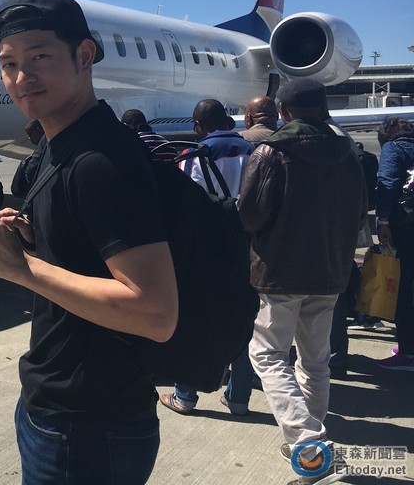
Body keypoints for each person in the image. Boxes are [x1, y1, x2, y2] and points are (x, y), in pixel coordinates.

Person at [0, 0, 178, 485]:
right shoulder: (61, 147)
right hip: (59, 408)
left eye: (40, 57)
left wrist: (23, 268)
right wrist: (34, 239)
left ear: (84, 56)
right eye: (9, 63)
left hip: (89, 426)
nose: (21, 78)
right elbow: (90, 253)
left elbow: (155, 313)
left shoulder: (102, 161)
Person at [237, 79, 365, 479]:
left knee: (268, 356)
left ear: (284, 112)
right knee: (315, 359)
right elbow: (360, 211)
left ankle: (309, 444)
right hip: (329, 270)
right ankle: (311, 440)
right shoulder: (347, 153)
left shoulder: (272, 152)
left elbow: (250, 214)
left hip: (280, 270)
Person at [160, 99, 255, 416]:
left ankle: (185, 395)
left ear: (198, 126)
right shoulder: (255, 153)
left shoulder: (193, 156)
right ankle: (239, 398)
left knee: (195, 319)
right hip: (247, 245)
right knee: (244, 318)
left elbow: (184, 206)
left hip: (206, 249)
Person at [372, 116, 414, 370]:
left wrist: (383, 220)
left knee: (404, 287)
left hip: (405, 227)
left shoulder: (394, 148)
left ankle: (408, 351)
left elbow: (387, 183)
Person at [10, 119, 45, 199]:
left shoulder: (41, 152)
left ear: (39, 131)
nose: (29, 138)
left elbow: (31, 174)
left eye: (31, 134)